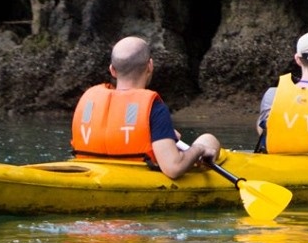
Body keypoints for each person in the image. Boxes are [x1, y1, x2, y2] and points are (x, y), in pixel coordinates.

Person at [71, 35, 222, 177]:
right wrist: (199, 149)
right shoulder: (155, 109)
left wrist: (162, 134)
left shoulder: (89, 102)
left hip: (91, 169)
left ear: (112, 70)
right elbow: (173, 168)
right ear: (150, 66)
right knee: (208, 139)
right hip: (138, 173)